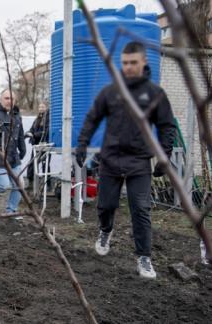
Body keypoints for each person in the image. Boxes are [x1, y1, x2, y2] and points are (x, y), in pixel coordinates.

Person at [76, 41, 175, 280]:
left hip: (139, 162)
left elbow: (167, 126)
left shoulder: (155, 94)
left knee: (141, 209)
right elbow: (92, 118)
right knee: (106, 205)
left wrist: (164, 156)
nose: (128, 67)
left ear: (143, 63)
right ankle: (105, 230)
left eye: (133, 63)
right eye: (124, 63)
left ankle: (144, 257)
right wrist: (82, 143)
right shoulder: (111, 92)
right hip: (110, 160)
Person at [25, 103, 51, 190]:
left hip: (45, 144)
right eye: (39, 107)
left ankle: (47, 184)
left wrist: (33, 135)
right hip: (36, 145)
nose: (41, 108)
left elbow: (46, 132)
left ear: (46, 108)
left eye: (43, 107)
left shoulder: (48, 118)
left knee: (45, 164)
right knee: (32, 163)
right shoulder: (37, 119)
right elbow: (32, 129)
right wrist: (27, 133)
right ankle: (30, 182)